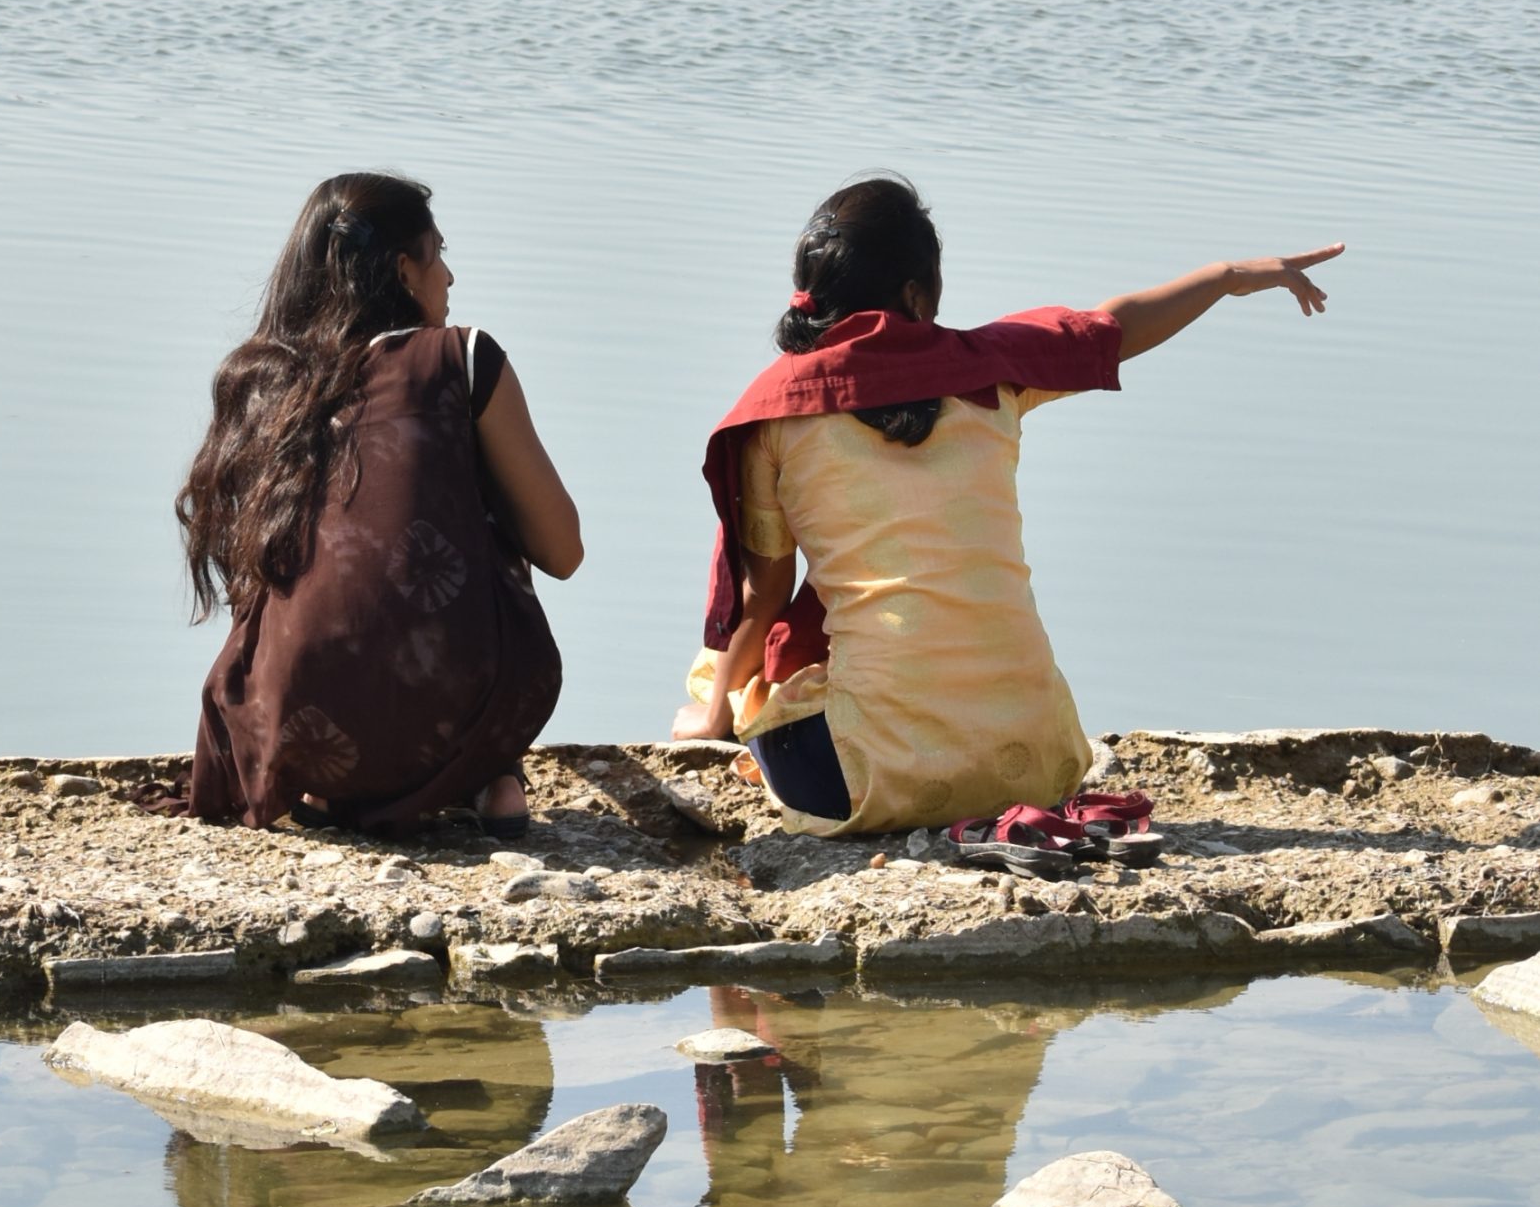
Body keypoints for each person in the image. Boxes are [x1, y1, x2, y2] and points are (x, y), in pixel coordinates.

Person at [673, 173, 1341, 840]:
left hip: (860, 782)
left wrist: (710, 718)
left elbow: (761, 599)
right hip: (1040, 764)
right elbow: (1110, 326)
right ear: (915, 294)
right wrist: (1227, 275)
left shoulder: (777, 413)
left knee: (729, 674)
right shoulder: (990, 371)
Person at [176, 170, 581, 834]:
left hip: (292, 726)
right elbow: (563, 552)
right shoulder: (462, 357)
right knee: (473, 518)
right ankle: (492, 773)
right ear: (401, 271)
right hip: (453, 707)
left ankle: (340, 788)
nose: (448, 277)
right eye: (439, 254)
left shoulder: (258, 378)